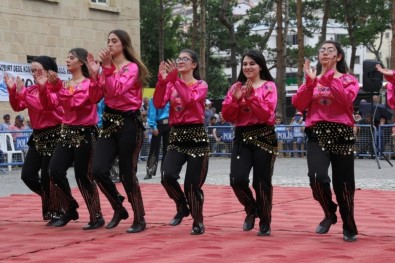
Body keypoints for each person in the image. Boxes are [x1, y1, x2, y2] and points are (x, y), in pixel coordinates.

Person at [292, 40, 359, 242]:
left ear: (338, 57)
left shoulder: (348, 79)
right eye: (322, 50)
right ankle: (330, 211)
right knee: (316, 176)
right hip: (317, 133)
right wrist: (310, 83)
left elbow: (345, 100)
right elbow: (298, 104)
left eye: (331, 50)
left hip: (342, 132)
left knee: (344, 183)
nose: (326, 53)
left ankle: (349, 223)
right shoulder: (311, 79)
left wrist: (329, 77)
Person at [87, 29, 149, 233]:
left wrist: (105, 69)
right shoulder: (107, 68)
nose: (110, 44)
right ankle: (118, 207)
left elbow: (116, 90)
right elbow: (95, 97)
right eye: (108, 41)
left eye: (114, 41)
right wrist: (95, 74)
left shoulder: (132, 68)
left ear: (123, 44)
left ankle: (139, 218)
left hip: (129, 124)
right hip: (108, 123)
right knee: (97, 170)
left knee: (127, 174)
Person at [39, 48, 104, 230]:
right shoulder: (66, 84)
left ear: (81, 62)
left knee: (83, 176)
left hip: (85, 133)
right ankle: (69, 208)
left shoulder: (87, 83)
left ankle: (96, 216)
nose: (67, 60)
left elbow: (76, 104)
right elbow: (49, 105)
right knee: (54, 171)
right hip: (67, 132)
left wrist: (58, 88)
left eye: (71, 57)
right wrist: (44, 88)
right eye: (67, 57)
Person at [153, 49, 210, 235]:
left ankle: (198, 221)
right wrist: (162, 82)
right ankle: (181, 206)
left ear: (194, 64)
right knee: (167, 175)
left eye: (185, 59)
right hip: (177, 135)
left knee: (192, 185)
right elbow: (159, 103)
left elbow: (189, 98)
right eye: (179, 59)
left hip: (196, 137)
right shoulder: (171, 84)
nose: (181, 61)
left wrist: (173, 80)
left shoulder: (200, 85)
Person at [222, 50, 278, 236]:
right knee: (237, 179)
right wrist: (236, 100)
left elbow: (267, 114)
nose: (247, 67)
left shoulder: (269, 86)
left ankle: (265, 221)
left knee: (261, 182)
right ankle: (251, 208)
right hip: (242, 135)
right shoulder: (235, 87)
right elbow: (227, 116)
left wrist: (251, 96)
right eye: (244, 64)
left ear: (260, 66)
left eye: (252, 63)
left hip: (264, 136)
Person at [4, 56, 64, 225]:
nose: (34, 73)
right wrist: (12, 91)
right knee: (27, 175)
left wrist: (21, 92)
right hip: (37, 136)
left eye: (38, 70)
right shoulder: (31, 90)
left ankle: (56, 211)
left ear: (49, 71)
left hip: (54, 134)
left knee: (47, 176)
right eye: (32, 70)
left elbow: (43, 106)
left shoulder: (56, 89)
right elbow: (17, 106)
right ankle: (57, 202)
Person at [144, 98, 170, 180]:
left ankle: (165, 171)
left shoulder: (170, 98)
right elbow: (151, 113)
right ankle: (150, 172)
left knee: (168, 149)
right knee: (154, 149)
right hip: (158, 124)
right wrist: (153, 126)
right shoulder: (154, 99)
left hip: (170, 124)